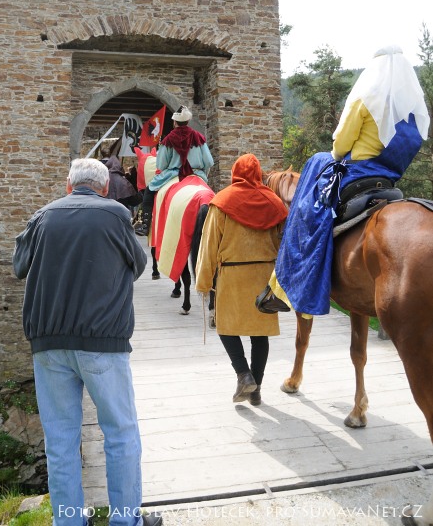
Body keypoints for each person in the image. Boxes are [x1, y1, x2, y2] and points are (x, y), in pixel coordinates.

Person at [13, 158, 162, 526]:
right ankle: (125, 521)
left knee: (60, 440)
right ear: (105, 188)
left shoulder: (42, 216)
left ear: (69, 185)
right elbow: (138, 265)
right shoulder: (115, 214)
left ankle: (68, 521)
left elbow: (19, 266)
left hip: (48, 342)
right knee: (120, 433)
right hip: (102, 342)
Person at [259, 45, 430, 317]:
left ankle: (288, 283)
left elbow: (339, 146)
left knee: (306, 207)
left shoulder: (367, 97)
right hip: (388, 180)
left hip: (357, 174)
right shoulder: (413, 112)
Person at [195, 154, 288, 405]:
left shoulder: (222, 202)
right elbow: (285, 244)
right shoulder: (275, 203)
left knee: (225, 328)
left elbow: (209, 245)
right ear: (258, 174)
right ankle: (255, 389)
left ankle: (244, 375)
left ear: (235, 173)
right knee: (260, 335)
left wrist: (204, 281)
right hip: (263, 278)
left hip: (233, 277)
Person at [136, 106, 214, 236]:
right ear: (188, 121)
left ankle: (145, 225)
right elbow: (209, 162)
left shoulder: (168, 139)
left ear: (174, 122)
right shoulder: (198, 137)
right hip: (196, 173)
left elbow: (161, 164)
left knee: (149, 190)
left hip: (173, 174)